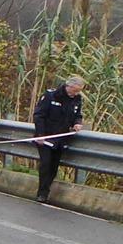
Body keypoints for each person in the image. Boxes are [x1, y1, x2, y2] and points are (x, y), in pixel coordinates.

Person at [32, 75, 85, 203]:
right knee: (45, 164)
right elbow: (39, 115)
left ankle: (46, 188)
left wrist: (77, 123)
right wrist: (40, 135)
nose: (76, 93)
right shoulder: (51, 96)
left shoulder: (77, 99)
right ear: (69, 86)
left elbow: (77, 115)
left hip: (61, 139)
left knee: (53, 167)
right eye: (75, 90)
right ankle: (42, 193)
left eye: (79, 91)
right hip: (46, 137)